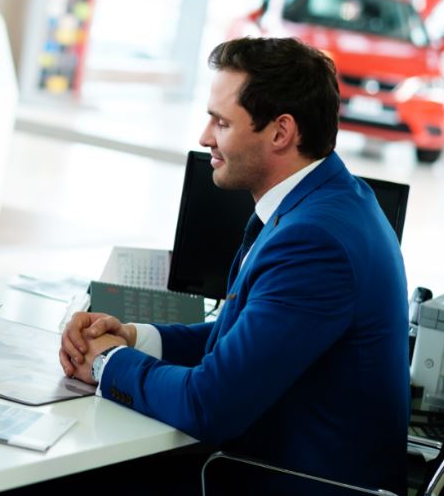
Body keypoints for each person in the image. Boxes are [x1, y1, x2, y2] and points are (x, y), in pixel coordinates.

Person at [59, 37, 408, 494]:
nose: (205, 137)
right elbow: (240, 339)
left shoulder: (315, 241)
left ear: (281, 132)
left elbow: (209, 405)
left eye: (221, 122)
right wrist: (133, 337)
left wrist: (106, 364)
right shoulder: (329, 200)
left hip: (285, 482)